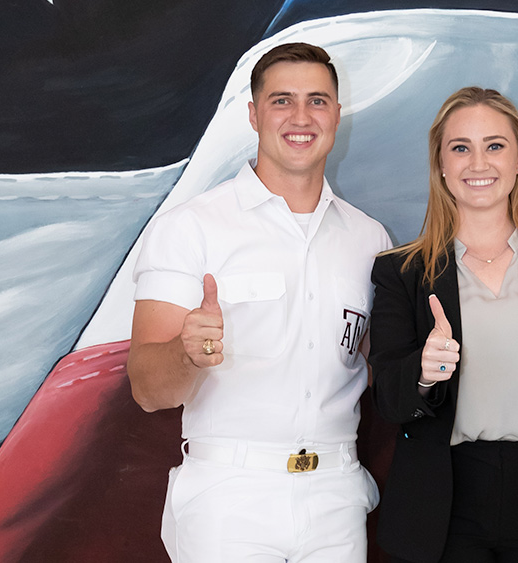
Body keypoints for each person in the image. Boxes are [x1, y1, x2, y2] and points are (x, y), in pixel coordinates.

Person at [126, 43, 391, 562]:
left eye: (317, 100)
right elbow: (146, 390)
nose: (300, 117)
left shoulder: (371, 239)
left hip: (337, 496)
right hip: (230, 497)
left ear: (337, 113)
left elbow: (374, 367)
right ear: (252, 114)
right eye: (281, 100)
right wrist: (186, 354)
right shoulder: (190, 227)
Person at [369, 86, 518, 563]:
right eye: (460, 148)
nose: (478, 163)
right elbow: (388, 398)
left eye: (494, 145)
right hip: (443, 502)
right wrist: (424, 372)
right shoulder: (402, 271)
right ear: (441, 165)